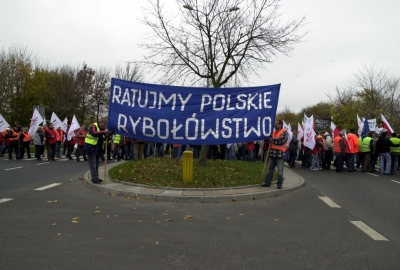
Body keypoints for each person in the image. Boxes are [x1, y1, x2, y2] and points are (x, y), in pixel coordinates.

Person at [261, 120, 288, 189]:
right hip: (272, 154)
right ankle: (267, 182)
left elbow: (281, 141)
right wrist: (268, 139)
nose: (275, 125)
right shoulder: (273, 132)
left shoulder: (284, 132)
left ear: (280, 125)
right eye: (275, 123)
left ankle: (279, 184)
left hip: (280, 154)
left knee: (280, 171)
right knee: (270, 169)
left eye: (276, 124)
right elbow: (268, 140)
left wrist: (272, 140)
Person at [83, 118, 109, 184]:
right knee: (93, 164)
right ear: (100, 123)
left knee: (97, 164)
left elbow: (104, 135)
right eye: (102, 126)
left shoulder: (102, 128)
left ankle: (95, 177)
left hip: (97, 148)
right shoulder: (93, 125)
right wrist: (104, 132)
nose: (103, 127)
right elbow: (94, 133)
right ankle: (95, 178)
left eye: (104, 126)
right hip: (90, 147)